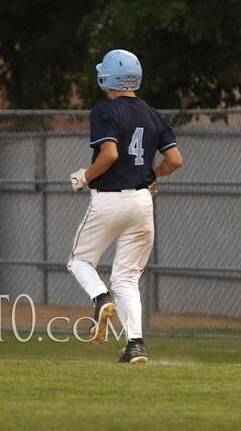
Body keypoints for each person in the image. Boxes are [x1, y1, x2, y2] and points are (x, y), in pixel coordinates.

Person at [67, 49, 183, 364]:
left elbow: (110, 155)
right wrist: (151, 175)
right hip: (142, 201)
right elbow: (175, 160)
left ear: (107, 77)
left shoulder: (105, 112)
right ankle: (135, 344)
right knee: (127, 277)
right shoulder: (155, 115)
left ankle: (100, 298)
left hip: (109, 199)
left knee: (79, 260)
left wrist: (83, 178)